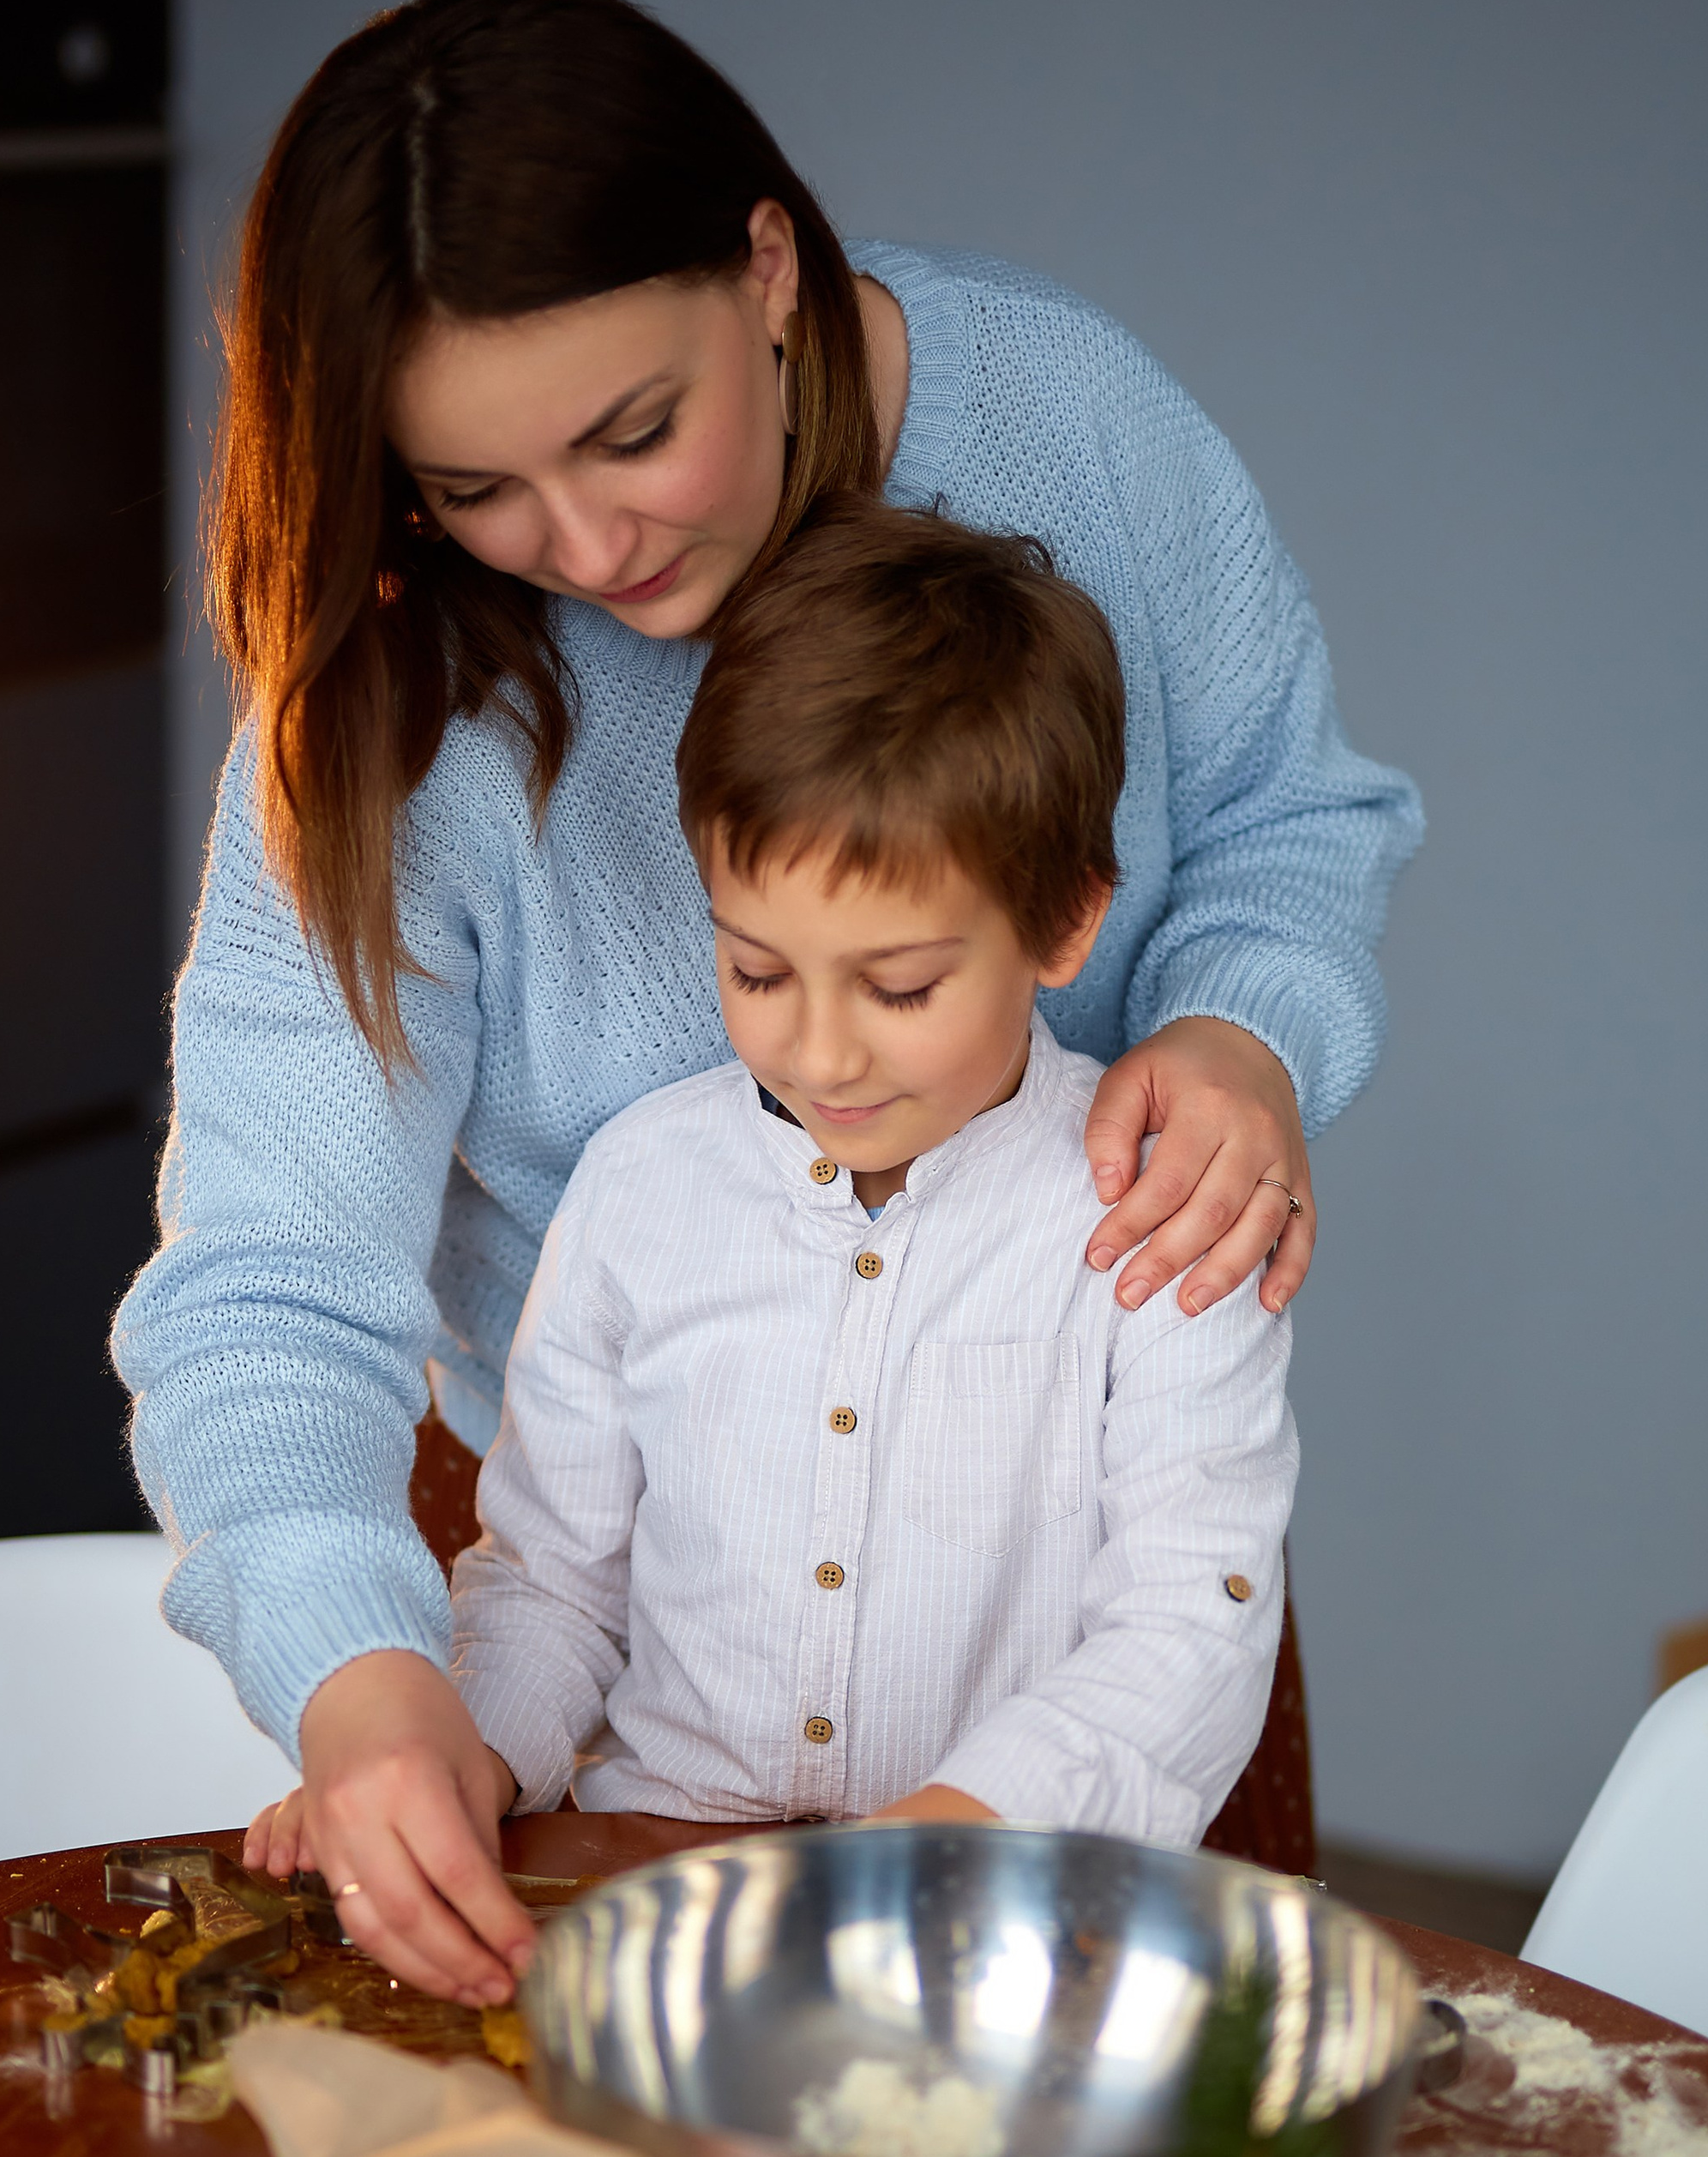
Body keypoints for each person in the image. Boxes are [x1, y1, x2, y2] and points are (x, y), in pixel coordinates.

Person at [113, 0, 1420, 2007]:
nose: (582, 542)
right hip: (594, 1573)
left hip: (1066, 1589)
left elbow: (1283, 818)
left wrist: (1238, 1028)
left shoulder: (1070, 420)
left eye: (635, 430)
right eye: (474, 489)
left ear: (766, 262)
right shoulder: (397, 673)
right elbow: (273, 1275)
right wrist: (364, 1682)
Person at [246, 501, 1296, 1887]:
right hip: (653, 1899)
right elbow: (555, 1585)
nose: (819, 1049)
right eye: (757, 970)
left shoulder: (1163, 1223)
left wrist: (939, 1848)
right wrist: (461, 1761)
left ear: (1064, 921)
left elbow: (1189, 1621)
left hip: (998, 1911)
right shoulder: (640, 1187)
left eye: (901, 985)